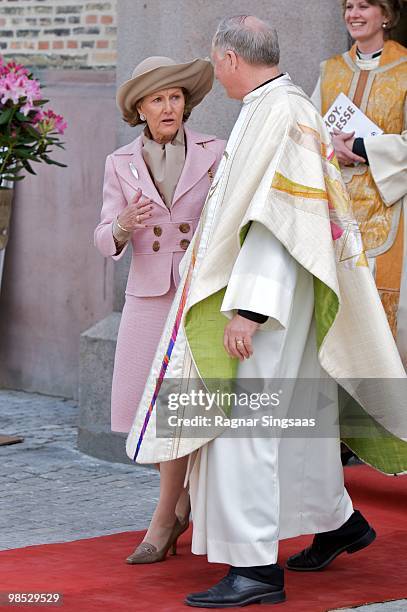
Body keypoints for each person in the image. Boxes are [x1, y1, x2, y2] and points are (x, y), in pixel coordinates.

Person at [126, 15, 407, 607]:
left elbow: (281, 222)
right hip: (293, 298)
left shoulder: (279, 112)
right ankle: (338, 522)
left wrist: (249, 309)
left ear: (230, 58)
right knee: (298, 422)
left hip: (266, 301)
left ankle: (254, 569)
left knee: (244, 430)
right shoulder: (281, 104)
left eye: (215, 60)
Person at [94, 56, 225, 564]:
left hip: (197, 293)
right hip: (147, 297)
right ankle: (183, 497)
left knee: (179, 408)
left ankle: (164, 517)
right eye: (157, 99)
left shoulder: (216, 151)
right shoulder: (118, 163)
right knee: (138, 413)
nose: (169, 107)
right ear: (140, 109)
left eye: (175, 97)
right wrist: (125, 223)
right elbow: (105, 240)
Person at [312, 0, 407, 367]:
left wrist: (362, 146)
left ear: (386, 15)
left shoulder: (404, 69)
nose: (353, 13)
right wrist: (328, 143)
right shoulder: (330, 69)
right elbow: (305, 132)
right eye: (349, 6)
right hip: (334, 209)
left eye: (364, 6)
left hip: (391, 209)